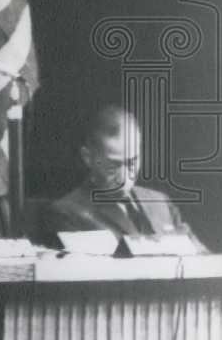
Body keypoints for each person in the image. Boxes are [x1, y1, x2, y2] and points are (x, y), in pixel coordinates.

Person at [43, 105, 206, 249]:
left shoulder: (161, 202)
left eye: (132, 162)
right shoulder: (67, 213)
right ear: (88, 157)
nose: (124, 178)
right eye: (113, 165)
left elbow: (203, 261)